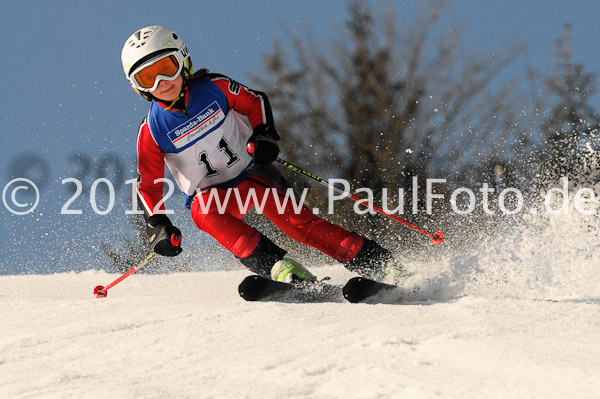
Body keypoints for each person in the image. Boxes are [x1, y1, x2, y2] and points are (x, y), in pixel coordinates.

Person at [121, 25, 402, 283]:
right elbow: (149, 185)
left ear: (183, 60)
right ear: (138, 88)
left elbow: (255, 100)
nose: (161, 81)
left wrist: (264, 134)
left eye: (167, 68)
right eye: (147, 78)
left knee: (299, 225)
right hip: (214, 196)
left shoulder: (213, 88)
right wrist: (157, 223)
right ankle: (280, 267)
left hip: (253, 176)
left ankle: (377, 262)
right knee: (201, 211)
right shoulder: (152, 130)